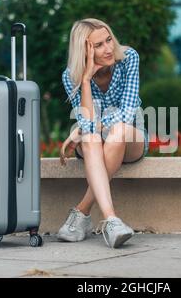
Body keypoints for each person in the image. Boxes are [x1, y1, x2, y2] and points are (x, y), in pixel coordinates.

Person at [58, 18, 149, 248]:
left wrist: (83, 128)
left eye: (108, 40)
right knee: (89, 138)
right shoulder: (71, 76)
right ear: (84, 50)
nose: (108, 48)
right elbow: (88, 126)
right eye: (98, 45)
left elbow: (127, 115)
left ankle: (82, 212)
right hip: (93, 146)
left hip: (130, 137)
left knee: (115, 131)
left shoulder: (128, 58)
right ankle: (112, 220)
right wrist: (86, 80)